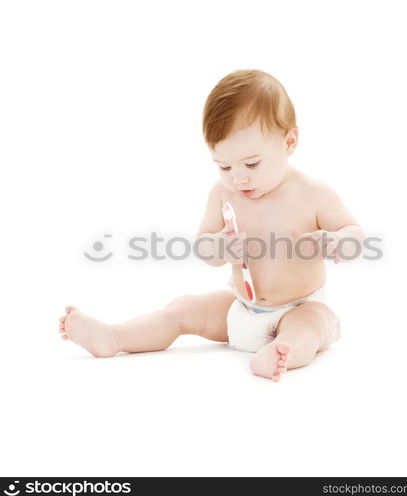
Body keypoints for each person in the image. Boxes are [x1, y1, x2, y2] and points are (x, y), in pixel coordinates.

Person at [59, 69, 364, 382]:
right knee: (183, 309)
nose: (238, 177)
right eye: (224, 166)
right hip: (242, 306)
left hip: (299, 306)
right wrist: (220, 246)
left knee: (312, 325)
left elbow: (354, 233)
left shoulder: (313, 194)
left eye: (252, 164)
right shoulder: (223, 194)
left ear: (289, 142)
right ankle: (114, 337)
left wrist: (339, 241)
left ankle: (280, 352)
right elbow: (205, 245)